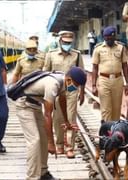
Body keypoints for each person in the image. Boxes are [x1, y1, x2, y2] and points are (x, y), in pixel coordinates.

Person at [15, 66, 87, 180]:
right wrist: (51, 143)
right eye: (76, 85)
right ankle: (32, 177)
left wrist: (67, 122)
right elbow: (48, 114)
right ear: (69, 79)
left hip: (35, 105)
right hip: (24, 105)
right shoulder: (53, 84)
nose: (76, 88)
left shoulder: (63, 82)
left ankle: (43, 172)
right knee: (35, 140)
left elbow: (62, 100)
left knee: (43, 138)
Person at [43, 30, 85, 158]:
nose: (67, 45)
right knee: (58, 118)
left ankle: (70, 147)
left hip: (71, 88)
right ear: (60, 41)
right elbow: (45, 72)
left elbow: (82, 74)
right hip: (56, 88)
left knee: (71, 117)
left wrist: (82, 92)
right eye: (65, 42)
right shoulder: (51, 55)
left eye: (69, 43)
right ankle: (59, 144)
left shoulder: (76, 55)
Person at [92, 26, 128, 121]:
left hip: (118, 80)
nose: (110, 40)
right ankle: (106, 133)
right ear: (104, 37)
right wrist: (93, 85)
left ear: (115, 37)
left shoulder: (121, 48)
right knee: (106, 109)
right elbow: (95, 67)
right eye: (108, 38)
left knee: (116, 109)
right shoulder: (98, 49)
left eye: (112, 38)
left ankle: (114, 131)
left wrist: (127, 83)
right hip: (104, 80)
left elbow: (125, 66)